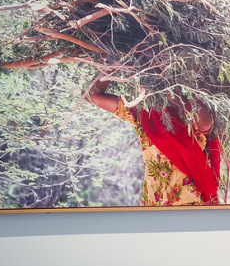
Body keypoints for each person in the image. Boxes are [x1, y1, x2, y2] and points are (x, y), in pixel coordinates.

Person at [85, 77, 222, 206]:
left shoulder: (189, 108)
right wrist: (111, 65)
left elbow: (205, 125)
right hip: (154, 205)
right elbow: (92, 96)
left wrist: (174, 95)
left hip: (189, 204)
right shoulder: (142, 114)